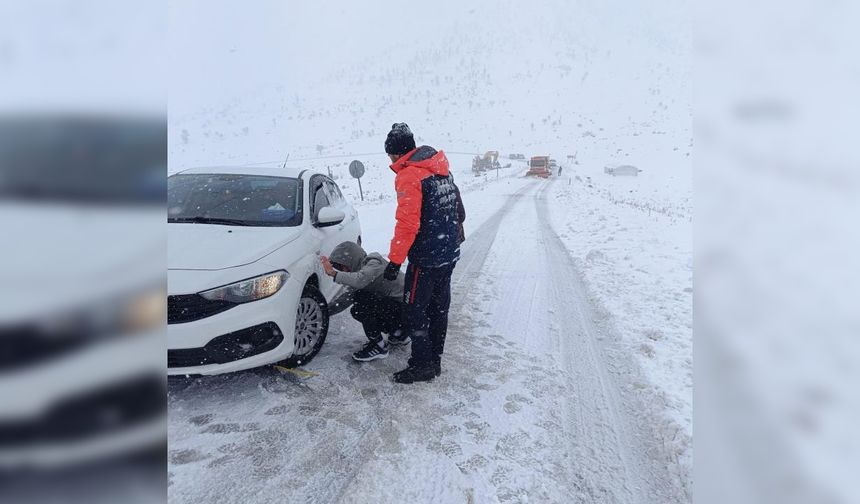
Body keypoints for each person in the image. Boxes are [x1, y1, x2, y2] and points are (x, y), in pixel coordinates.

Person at [382, 123, 464, 383]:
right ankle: (434, 361)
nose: (391, 159)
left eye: (390, 154)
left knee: (414, 310)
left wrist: (395, 261)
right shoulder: (440, 168)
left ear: (396, 153)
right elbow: (460, 212)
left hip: (426, 258)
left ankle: (422, 365)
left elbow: (407, 224)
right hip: (448, 252)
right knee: (439, 309)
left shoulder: (409, 175)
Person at [320, 241, 408, 362]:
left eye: (341, 266)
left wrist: (334, 273)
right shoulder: (364, 272)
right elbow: (345, 300)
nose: (343, 270)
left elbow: (358, 281)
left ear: (350, 259)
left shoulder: (373, 264)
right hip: (402, 312)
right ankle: (399, 333)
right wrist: (322, 312)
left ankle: (379, 346)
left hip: (408, 312)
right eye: (338, 268)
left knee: (360, 304)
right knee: (361, 299)